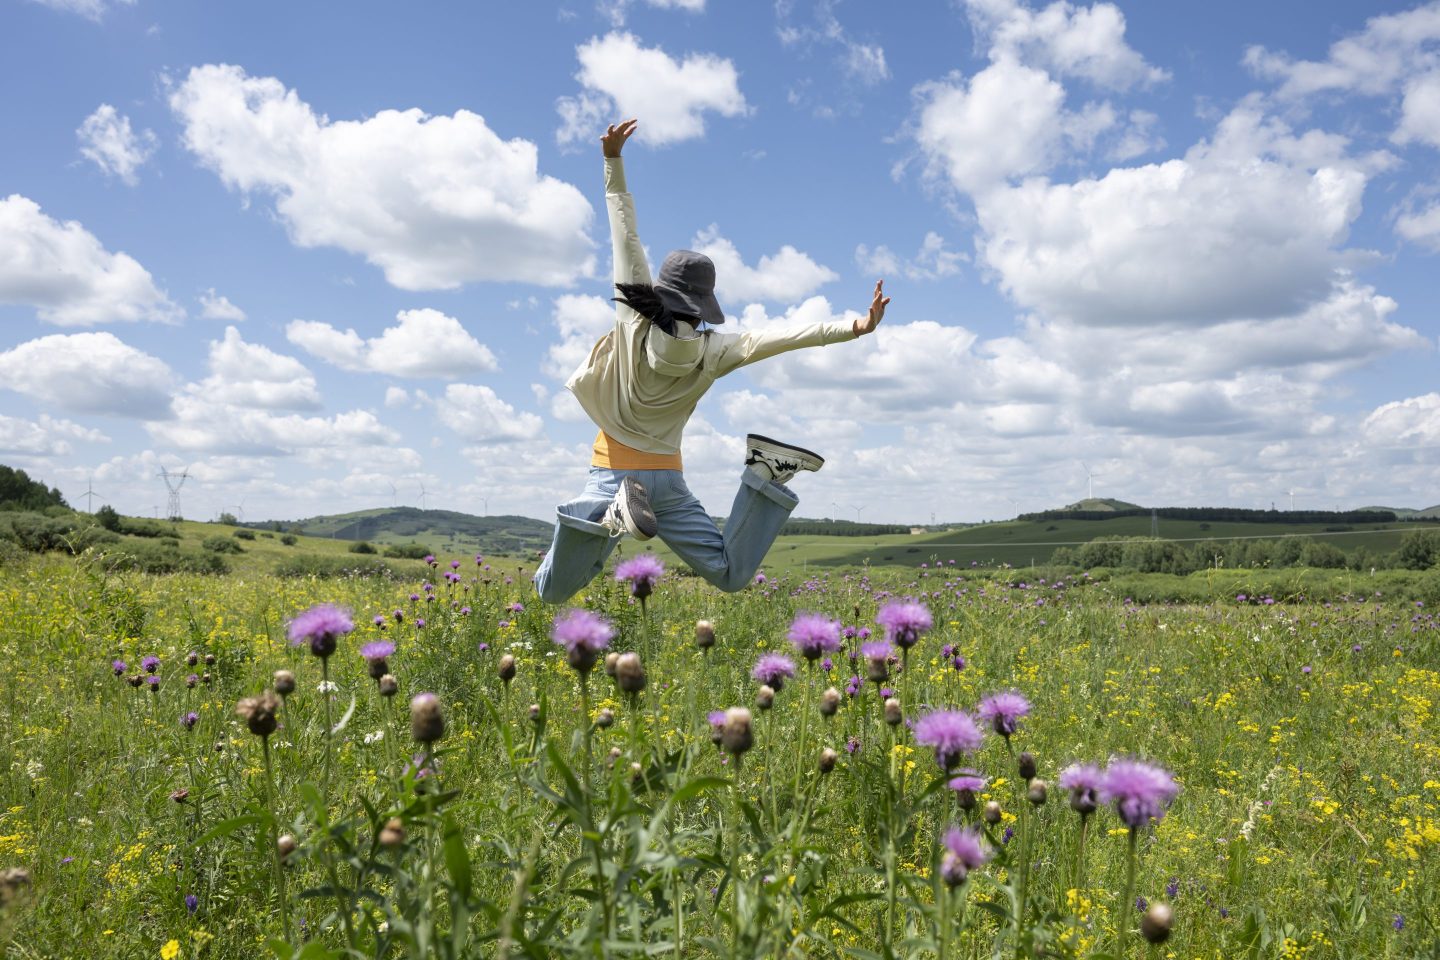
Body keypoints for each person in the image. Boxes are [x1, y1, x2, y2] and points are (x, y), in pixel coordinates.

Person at [533, 118, 889, 602]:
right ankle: (764, 475)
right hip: (668, 483)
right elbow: (783, 337)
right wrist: (855, 327)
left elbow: (625, 233)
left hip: (616, 473)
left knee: (548, 591)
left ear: (662, 291)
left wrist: (612, 161)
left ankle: (613, 517)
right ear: (702, 307)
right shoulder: (715, 350)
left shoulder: (634, 314)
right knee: (729, 573)